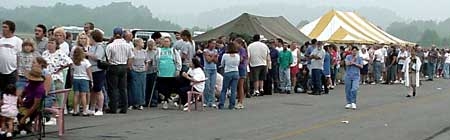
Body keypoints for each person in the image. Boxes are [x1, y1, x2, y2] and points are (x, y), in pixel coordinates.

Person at [105, 27, 134, 114]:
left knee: (113, 88)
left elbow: (108, 58)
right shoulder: (127, 45)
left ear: (114, 34)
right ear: (122, 35)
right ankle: (124, 107)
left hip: (114, 66)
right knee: (123, 88)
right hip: (124, 66)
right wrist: (128, 66)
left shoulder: (110, 46)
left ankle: (113, 107)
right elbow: (131, 57)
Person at [17, 67, 46, 134]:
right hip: (26, 103)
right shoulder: (30, 84)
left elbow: (35, 106)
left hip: (34, 108)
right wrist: (20, 97)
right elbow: (24, 92)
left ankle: (25, 125)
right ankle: (23, 126)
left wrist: (24, 117)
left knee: (21, 115)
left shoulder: (39, 89)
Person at [156, 37, 181, 110]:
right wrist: (156, 69)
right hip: (161, 72)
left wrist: (178, 70)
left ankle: (166, 100)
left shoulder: (173, 50)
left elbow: (178, 60)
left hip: (171, 71)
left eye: (167, 41)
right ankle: (168, 99)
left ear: (170, 42)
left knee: (169, 87)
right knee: (161, 87)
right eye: (164, 41)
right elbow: (156, 60)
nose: (166, 43)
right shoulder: (159, 50)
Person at [86, 29, 106, 116]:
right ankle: (92, 108)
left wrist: (87, 54)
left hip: (98, 70)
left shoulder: (99, 47)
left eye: (90, 37)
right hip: (91, 70)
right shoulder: (92, 47)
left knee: (98, 89)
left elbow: (98, 57)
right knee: (93, 90)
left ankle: (100, 108)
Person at [0, 20, 23, 93]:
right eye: (2, 27)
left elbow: (20, 56)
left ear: (11, 29)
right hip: (1, 71)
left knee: (10, 91)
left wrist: (18, 71)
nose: (3, 29)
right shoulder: (1, 40)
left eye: (5, 27)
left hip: (12, 71)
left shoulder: (18, 41)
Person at [71, 47, 93, 116]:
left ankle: (75, 110)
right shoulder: (86, 62)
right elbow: (89, 72)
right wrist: (91, 80)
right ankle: (84, 110)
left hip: (76, 78)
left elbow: (72, 71)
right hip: (84, 79)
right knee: (83, 95)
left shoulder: (73, 62)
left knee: (76, 94)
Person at [218, 43, 240, 110]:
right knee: (233, 90)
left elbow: (222, 64)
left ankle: (221, 104)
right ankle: (232, 105)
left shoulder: (225, 55)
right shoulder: (237, 56)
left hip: (228, 72)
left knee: (224, 89)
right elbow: (238, 64)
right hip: (236, 72)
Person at [128, 38, 148, 110]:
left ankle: (141, 103)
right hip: (134, 70)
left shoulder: (144, 52)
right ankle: (132, 103)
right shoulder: (132, 51)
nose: (143, 44)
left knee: (142, 87)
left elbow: (147, 61)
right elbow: (130, 60)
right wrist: (130, 68)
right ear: (137, 43)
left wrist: (145, 68)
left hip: (142, 71)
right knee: (133, 87)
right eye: (142, 42)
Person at [203, 39, 218, 108]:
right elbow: (208, 60)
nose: (213, 45)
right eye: (212, 43)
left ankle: (212, 101)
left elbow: (216, 61)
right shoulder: (205, 51)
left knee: (212, 86)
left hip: (214, 69)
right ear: (209, 43)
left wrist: (211, 56)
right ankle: (205, 101)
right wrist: (213, 56)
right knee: (207, 86)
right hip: (207, 69)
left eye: (215, 44)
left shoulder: (216, 51)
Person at [234, 38, 248, 109]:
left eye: (235, 43)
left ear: (239, 44)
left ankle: (240, 102)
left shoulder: (242, 50)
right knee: (236, 86)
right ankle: (238, 100)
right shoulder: (236, 50)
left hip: (241, 68)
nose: (234, 45)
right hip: (236, 68)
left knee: (240, 85)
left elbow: (241, 59)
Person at [146, 39, 159, 107]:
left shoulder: (156, 52)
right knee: (147, 87)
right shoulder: (145, 52)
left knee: (153, 87)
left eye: (151, 44)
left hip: (153, 71)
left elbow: (157, 61)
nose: (150, 46)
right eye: (149, 45)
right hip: (147, 71)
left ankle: (154, 101)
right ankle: (147, 100)